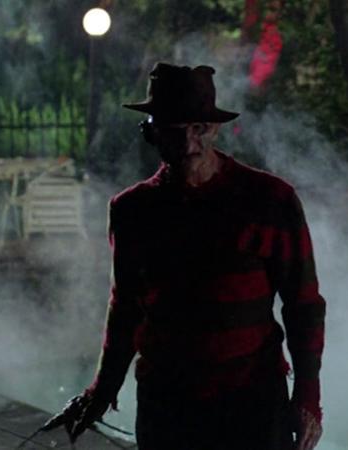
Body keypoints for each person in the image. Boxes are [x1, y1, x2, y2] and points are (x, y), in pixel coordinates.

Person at [49, 62, 326, 450]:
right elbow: (126, 307)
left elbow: (303, 304)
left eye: (198, 128)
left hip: (252, 401)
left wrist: (308, 397)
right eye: (173, 129)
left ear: (214, 129)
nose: (187, 143)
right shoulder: (132, 210)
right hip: (167, 403)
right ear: (151, 132)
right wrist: (102, 388)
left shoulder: (269, 200)